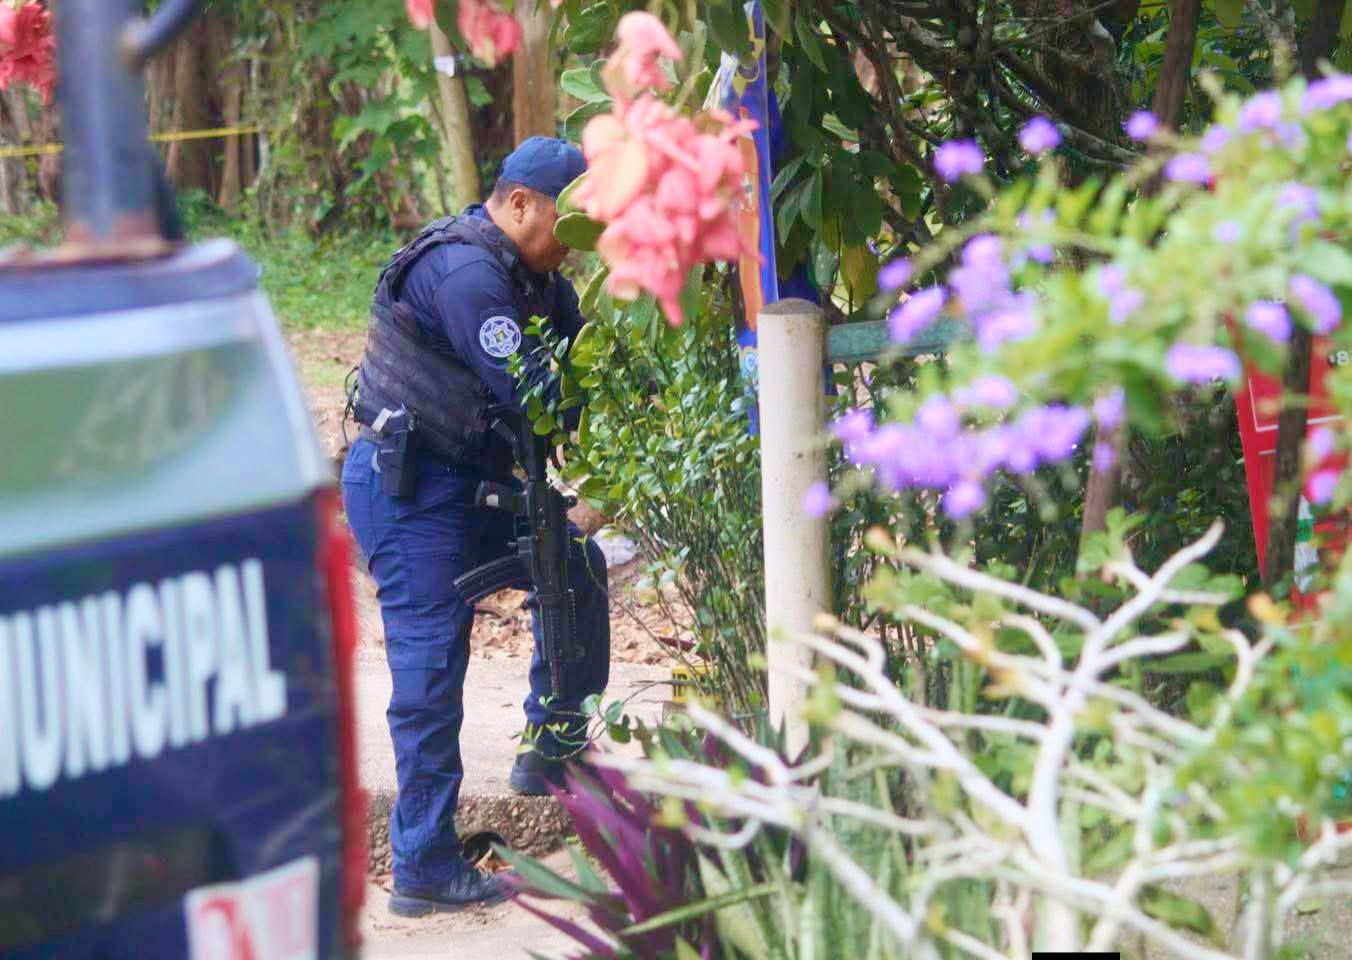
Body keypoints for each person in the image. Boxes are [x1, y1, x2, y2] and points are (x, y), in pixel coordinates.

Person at [340, 137, 610, 916]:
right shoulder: (465, 275)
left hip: (469, 484)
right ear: (520, 202)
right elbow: (537, 393)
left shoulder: (536, 278)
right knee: (430, 665)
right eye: (571, 221)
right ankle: (423, 863)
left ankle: (552, 749)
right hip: (409, 487)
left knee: (577, 567)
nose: (577, 241)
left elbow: (579, 377)